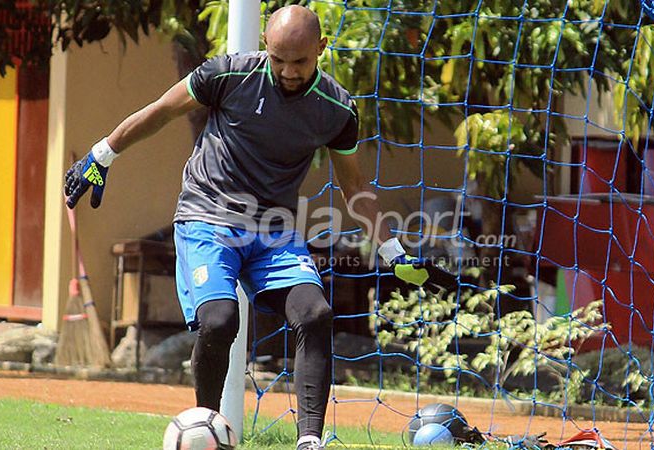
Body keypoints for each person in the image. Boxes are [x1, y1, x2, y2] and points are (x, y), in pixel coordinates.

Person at [64, 5, 445, 449]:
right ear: (265, 43)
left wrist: (393, 253)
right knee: (220, 321)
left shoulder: (337, 109)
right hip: (207, 216)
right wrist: (102, 154)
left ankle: (309, 442)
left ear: (321, 49)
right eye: (278, 57)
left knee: (316, 314)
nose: (287, 70)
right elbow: (162, 111)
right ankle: (207, 433)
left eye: (300, 61)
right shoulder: (226, 75)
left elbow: (355, 186)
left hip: (274, 230)